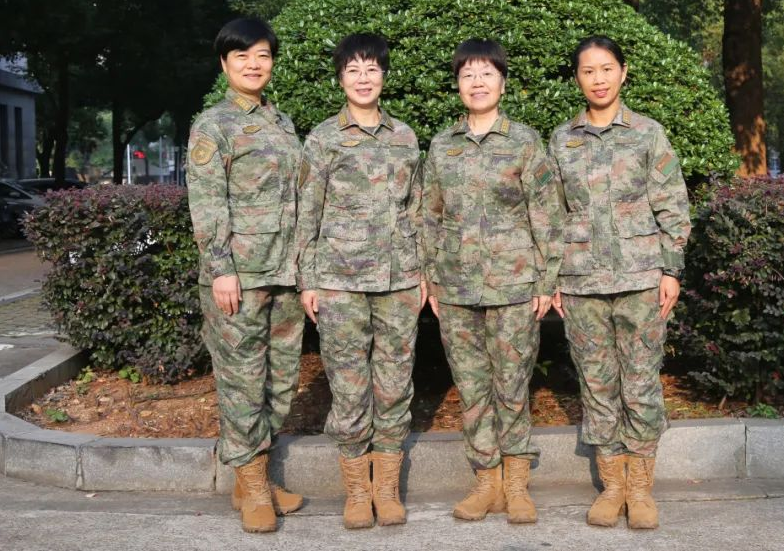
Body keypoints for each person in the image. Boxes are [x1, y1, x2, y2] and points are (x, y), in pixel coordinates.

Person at [547, 35, 691, 530]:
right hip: (581, 282)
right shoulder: (561, 140)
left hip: (640, 279)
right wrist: (553, 277)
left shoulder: (648, 134)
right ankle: (612, 488)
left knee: (641, 384)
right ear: (577, 78)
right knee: (597, 385)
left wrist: (671, 270)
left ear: (623, 72)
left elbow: (673, 205)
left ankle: (640, 489)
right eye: (588, 71)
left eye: (607, 68)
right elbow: (550, 215)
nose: (599, 79)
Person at [422, 38, 564, 525]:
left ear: (503, 82)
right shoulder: (442, 145)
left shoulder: (524, 142)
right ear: (457, 85)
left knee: (512, 385)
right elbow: (429, 216)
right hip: (456, 289)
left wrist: (546, 280)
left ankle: (517, 484)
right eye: (468, 75)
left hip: (514, 287)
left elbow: (546, 214)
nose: (477, 83)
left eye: (486, 74)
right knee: (472, 388)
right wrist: (431, 278)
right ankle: (486, 482)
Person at [294, 33, 426, 530]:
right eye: (353, 70)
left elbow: (417, 209)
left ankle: (385, 489)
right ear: (340, 79)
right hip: (340, 282)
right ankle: (356, 491)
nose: (363, 78)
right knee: (349, 387)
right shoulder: (323, 138)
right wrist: (307, 279)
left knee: (394, 384)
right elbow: (308, 211)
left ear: (384, 76)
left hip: (398, 281)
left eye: (372, 69)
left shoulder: (405, 137)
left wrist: (423, 272)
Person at [186, 17, 305, 533]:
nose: (254, 65)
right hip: (239, 275)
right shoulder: (212, 125)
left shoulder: (282, 122)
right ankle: (254, 488)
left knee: (281, 381)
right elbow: (208, 201)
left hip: (285, 271)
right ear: (224, 63)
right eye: (242, 56)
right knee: (242, 383)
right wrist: (220, 270)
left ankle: (250, 476)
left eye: (263, 55)